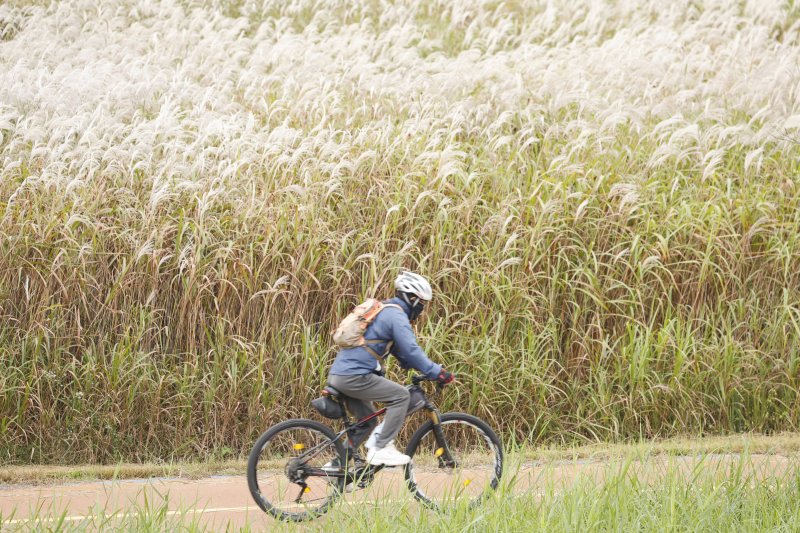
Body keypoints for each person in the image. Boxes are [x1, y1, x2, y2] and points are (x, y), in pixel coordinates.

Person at [327, 271, 455, 466]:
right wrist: (437, 372)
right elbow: (412, 350)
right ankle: (381, 448)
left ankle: (336, 465)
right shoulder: (396, 315)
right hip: (355, 376)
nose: (422, 308)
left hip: (341, 375)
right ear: (411, 298)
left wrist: (418, 369)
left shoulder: (384, 310)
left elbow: (402, 354)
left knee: (368, 421)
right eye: (421, 303)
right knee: (401, 396)